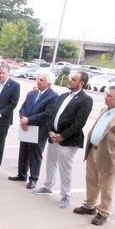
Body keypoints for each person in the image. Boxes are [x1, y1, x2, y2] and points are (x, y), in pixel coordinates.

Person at [74, 85, 115, 225]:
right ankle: (89, 205)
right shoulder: (104, 109)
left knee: (107, 185)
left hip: (110, 156)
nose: (105, 97)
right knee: (91, 179)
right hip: (94, 150)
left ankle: (103, 212)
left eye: (110, 96)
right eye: (106, 94)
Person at [33, 71, 93, 208]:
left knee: (65, 168)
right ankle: (48, 187)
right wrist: (50, 131)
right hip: (53, 136)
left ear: (81, 83)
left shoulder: (85, 100)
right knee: (50, 162)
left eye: (74, 79)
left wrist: (62, 136)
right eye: (71, 78)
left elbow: (79, 123)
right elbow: (52, 115)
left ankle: (65, 195)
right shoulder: (63, 96)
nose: (70, 80)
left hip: (68, 140)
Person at [9, 71, 58, 188]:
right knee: (24, 150)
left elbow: (47, 113)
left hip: (39, 129)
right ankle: (21, 174)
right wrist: (23, 118)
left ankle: (33, 178)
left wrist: (29, 120)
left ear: (49, 83)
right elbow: (23, 108)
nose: (38, 81)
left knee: (35, 153)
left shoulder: (53, 96)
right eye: (38, 79)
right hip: (26, 127)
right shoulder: (32, 93)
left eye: (41, 80)